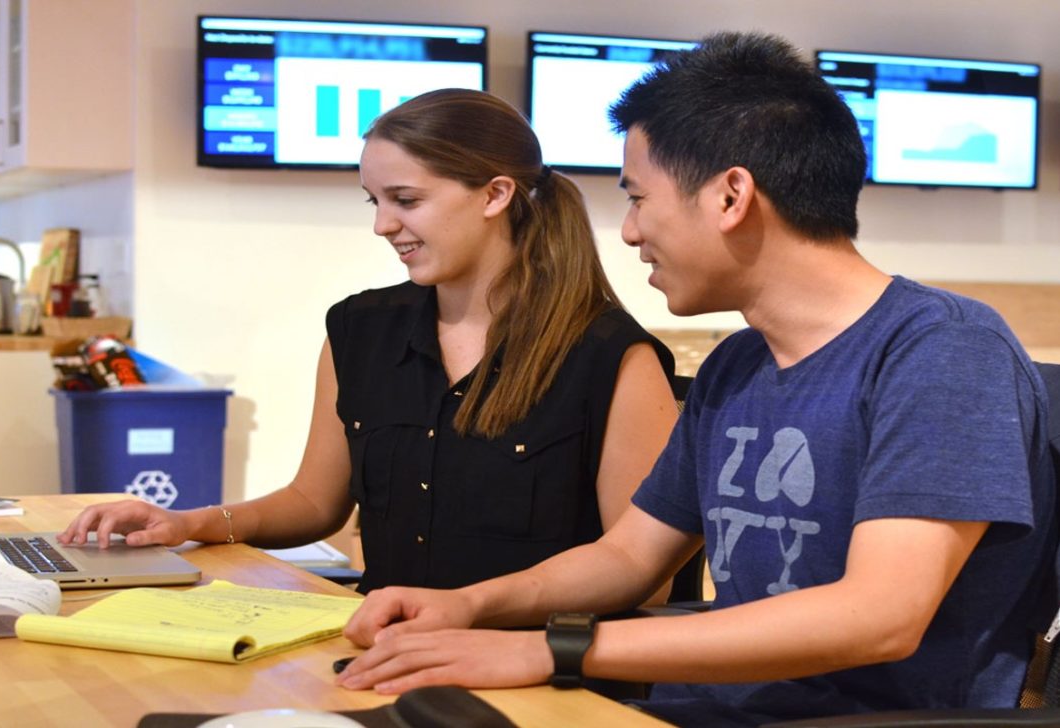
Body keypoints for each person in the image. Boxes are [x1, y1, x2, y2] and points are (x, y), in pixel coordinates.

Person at [331, 32, 1057, 726]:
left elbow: (880, 616)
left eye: (640, 198)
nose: (629, 231)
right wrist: (468, 607)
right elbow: (628, 555)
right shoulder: (737, 365)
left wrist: (546, 648)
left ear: (730, 196)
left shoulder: (944, 349)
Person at [59, 89, 679, 595]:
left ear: (496, 194)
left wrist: (472, 618)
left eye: (405, 200)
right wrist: (187, 523)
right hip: (380, 650)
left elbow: (637, 571)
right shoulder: (357, 329)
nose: (383, 225)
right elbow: (313, 501)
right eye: (375, 201)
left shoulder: (613, 356)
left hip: (532, 671)